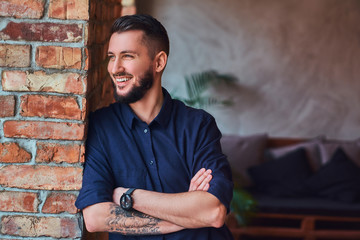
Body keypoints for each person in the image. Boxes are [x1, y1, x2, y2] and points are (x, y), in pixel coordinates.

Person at [75, 14, 234, 240]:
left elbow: (213, 212)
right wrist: (186, 217)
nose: (115, 68)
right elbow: (96, 217)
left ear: (158, 62)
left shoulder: (198, 125)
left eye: (127, 56)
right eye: (112, 57)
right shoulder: (101, 127)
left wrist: (128, 197)